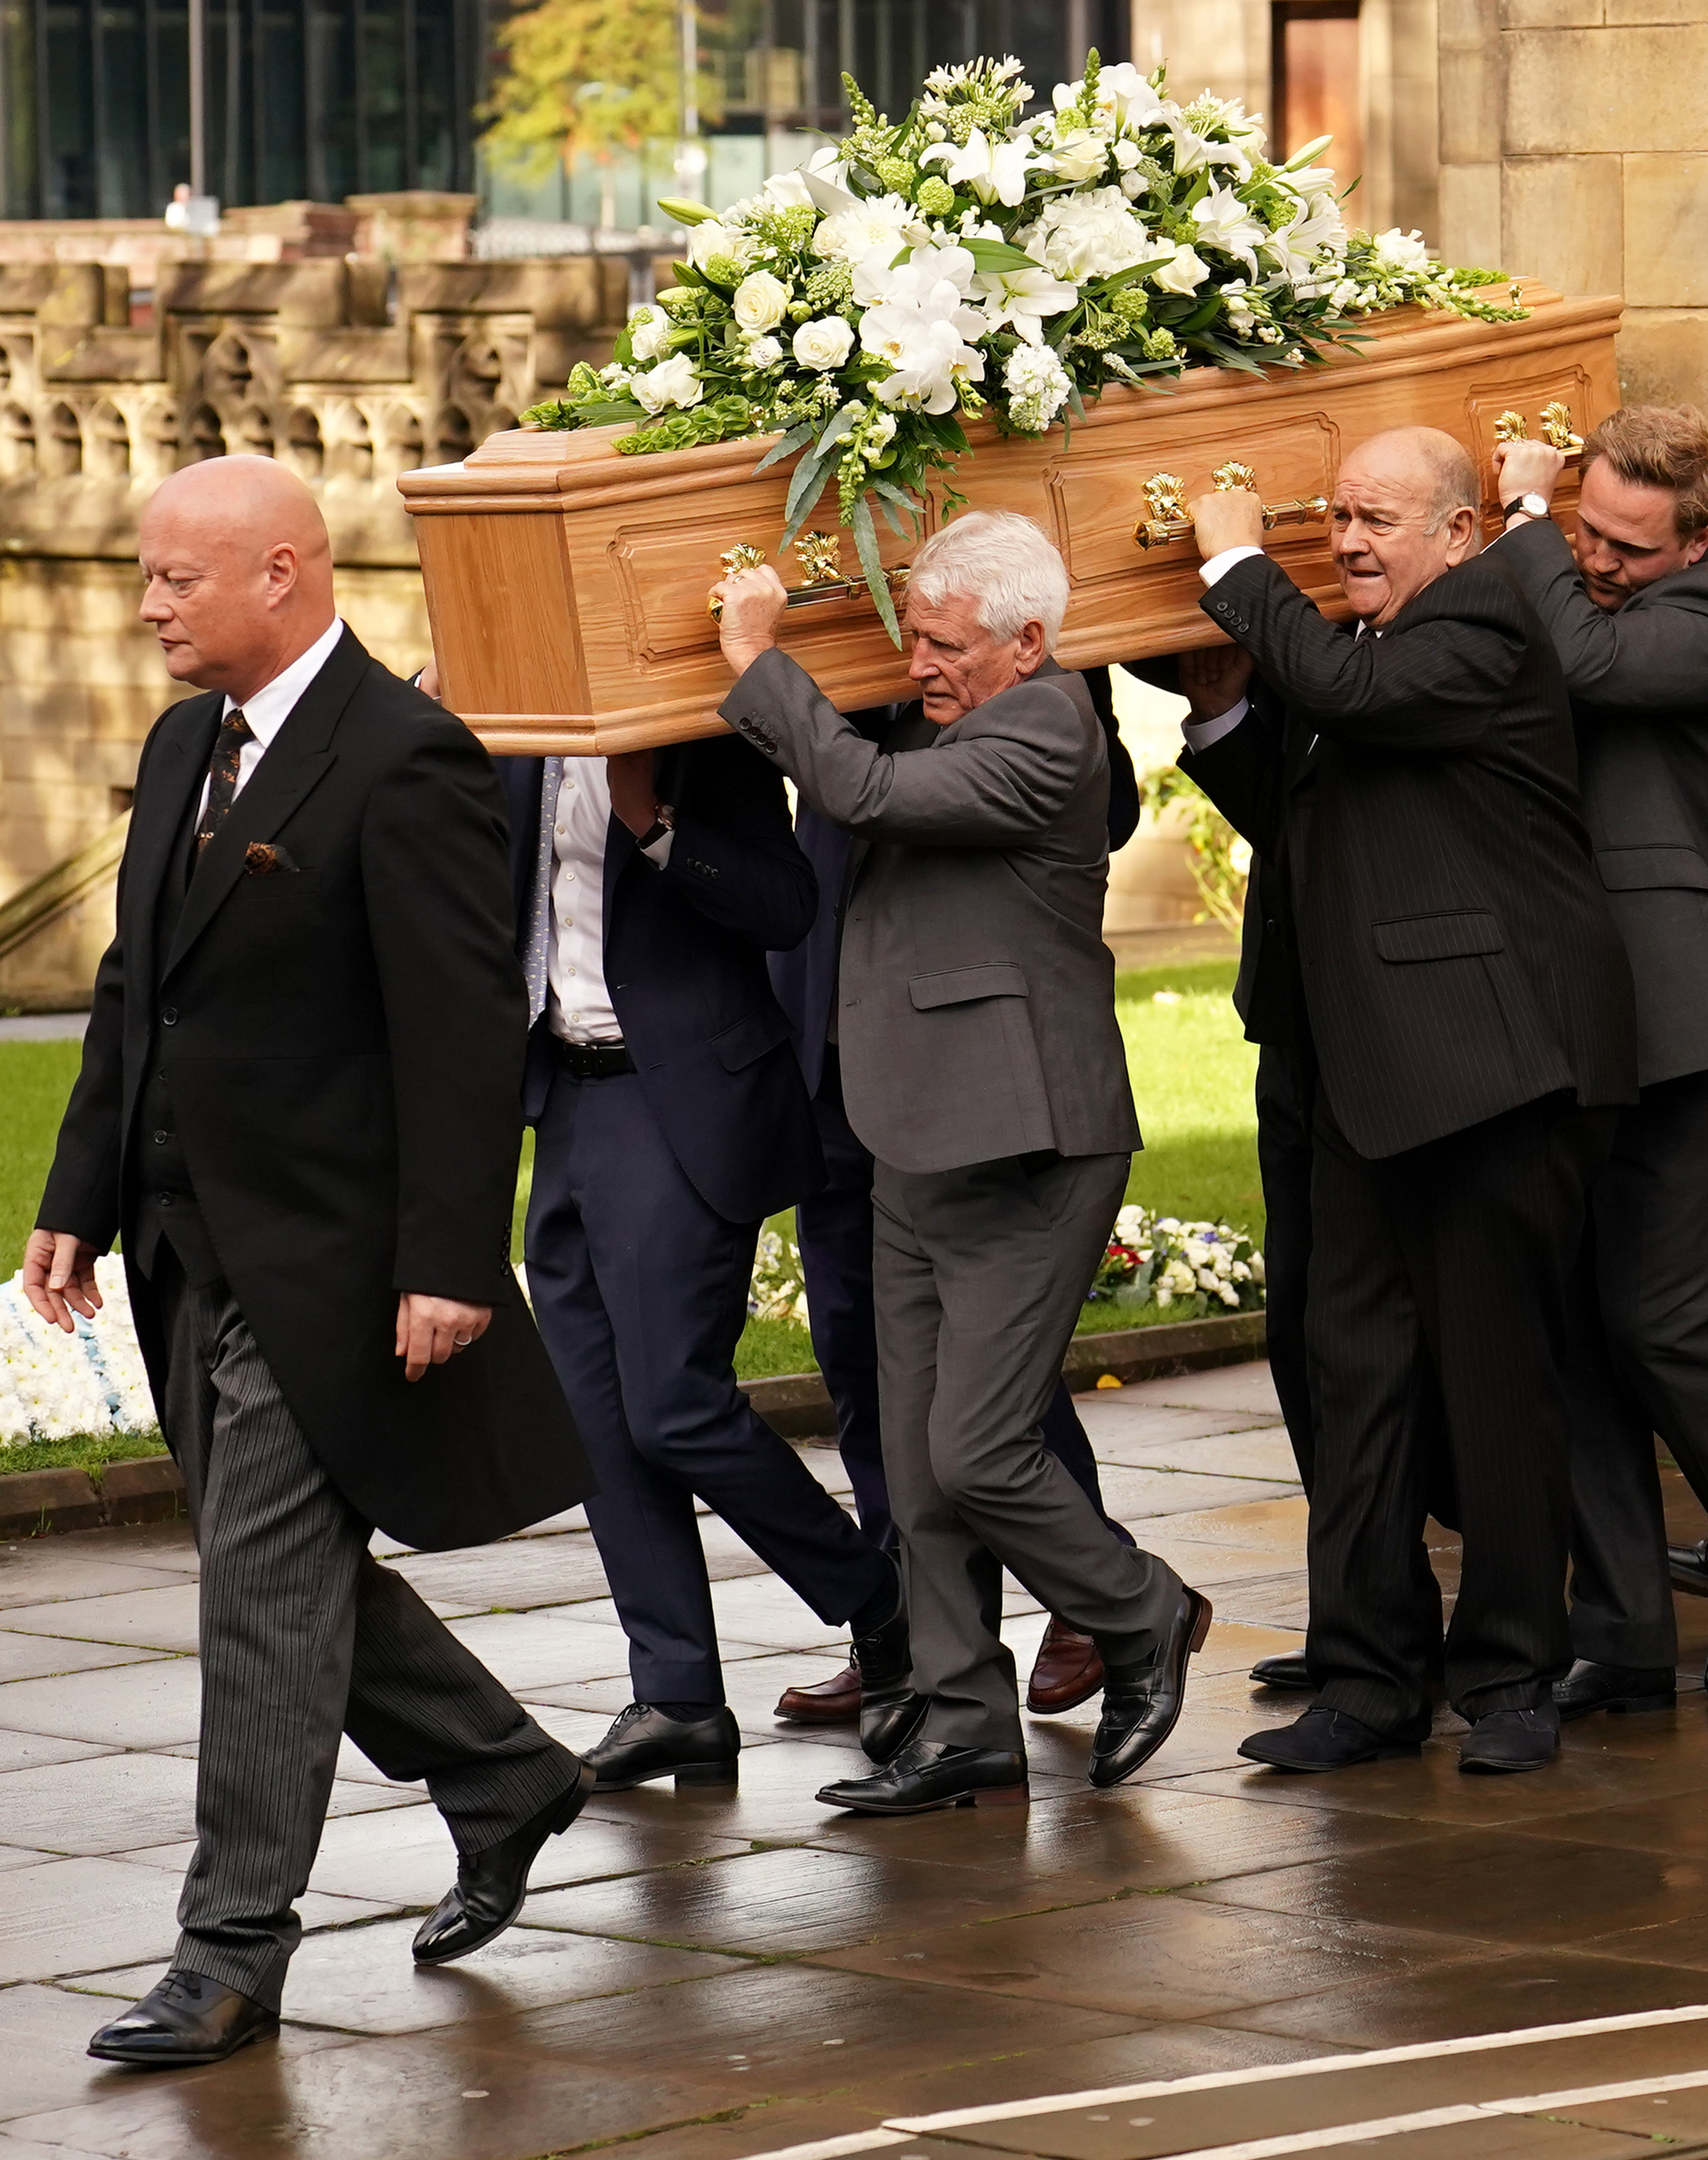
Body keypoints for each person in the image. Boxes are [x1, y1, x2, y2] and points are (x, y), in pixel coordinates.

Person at [21, 455, 593, 2067]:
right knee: (285, 1578)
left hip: (336, 1266)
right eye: (144, 579)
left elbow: (463, 1034)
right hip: (189, 1249)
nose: (145, 609)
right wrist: (80, 1189)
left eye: (174, 583)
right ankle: (501, 1767)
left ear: (281, 573)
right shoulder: (179, 741)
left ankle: (229, 1951)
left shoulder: (407, 759)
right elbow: (142, 990)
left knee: (262, 1606)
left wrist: (448, 1261)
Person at [712, 510, 1211, 1815]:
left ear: (1030, 642)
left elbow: (862, 793)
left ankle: (1145, 1609)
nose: (917, 663)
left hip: (1024, 1143)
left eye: (944, 644)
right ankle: (961, 1721)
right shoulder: (942, 714)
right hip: (913, 1135)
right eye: (911, 635)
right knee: (916, 1463)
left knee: (982, 1447)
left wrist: (763, 654)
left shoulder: (1051, 730)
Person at [1172, 424, 1638, 1775]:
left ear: (1462, 530)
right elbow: (1321, 810)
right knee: (1353, 1377)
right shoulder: (1362, 655)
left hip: (1491, 1066)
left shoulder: (1489, 619)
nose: (1354, 543)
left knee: (1495, 1385)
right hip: (1355, 1069)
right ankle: (1371, 1677)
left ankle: (1511, 1680)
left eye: (1379, 519)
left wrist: (1238, 554)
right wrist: (1217, 709)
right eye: (1335, 524)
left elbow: (1353, 706)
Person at [1490, 405, 1708, 1708]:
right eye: (1586, 529)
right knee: (1577, 1325)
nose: (1600, 561)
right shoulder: (1602, 580)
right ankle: (1622, 1631)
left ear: (1698, 540)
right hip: (1574, 1007)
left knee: (1665, 1315)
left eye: (1630, 546)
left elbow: (1578, 659)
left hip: (1685, 1009)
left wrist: (1523, 520)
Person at [501, 729, 911, 1788]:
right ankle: (678, 1691)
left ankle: (879, 1599)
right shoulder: (513, 746)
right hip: (566, 1099)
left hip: (680, 1099)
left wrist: (654, 823)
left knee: (675, 1403)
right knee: (595, 1420)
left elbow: (787, 905)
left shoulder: (701, 747)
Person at [767, 672, 1150, 1730]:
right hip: (837, 1039)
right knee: (864, 1357)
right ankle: (917, 1634)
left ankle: (1093, 1590)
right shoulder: (834, 660)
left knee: (981, 1373)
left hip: (959, 1059)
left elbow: (1105, 808)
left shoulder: (1023, 684)